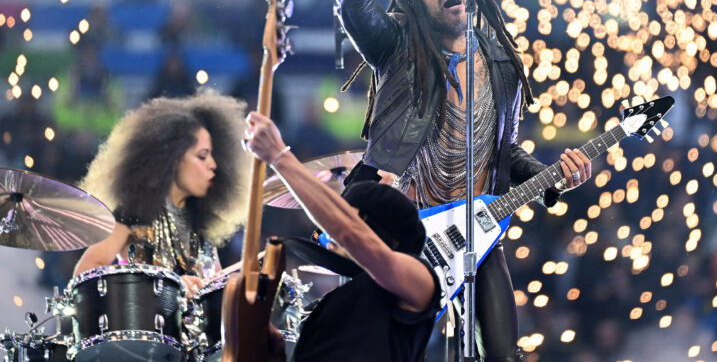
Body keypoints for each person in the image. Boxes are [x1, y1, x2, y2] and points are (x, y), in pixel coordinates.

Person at [334, 0, 594, 362]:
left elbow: (505, 151)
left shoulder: (502, 64)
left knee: (502, 354)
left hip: (472, 231)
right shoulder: (397, 44)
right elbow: (351, 5)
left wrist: (551, 176)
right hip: (399, 228)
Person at [244, 111, 441, 362]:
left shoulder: (420, 280)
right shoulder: (334, 302)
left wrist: (279, 156)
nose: (336, 230)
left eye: (352, 217)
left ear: (389, 236)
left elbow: (350, 233)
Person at [74, 90, 250, 295]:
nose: (213, 165)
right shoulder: (134, 212)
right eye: (202, 156)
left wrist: (230, 287)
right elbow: (87, 271)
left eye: (212, 155)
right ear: (172, 159)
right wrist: (168, 288)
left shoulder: (200, 221)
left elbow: (213, 288)